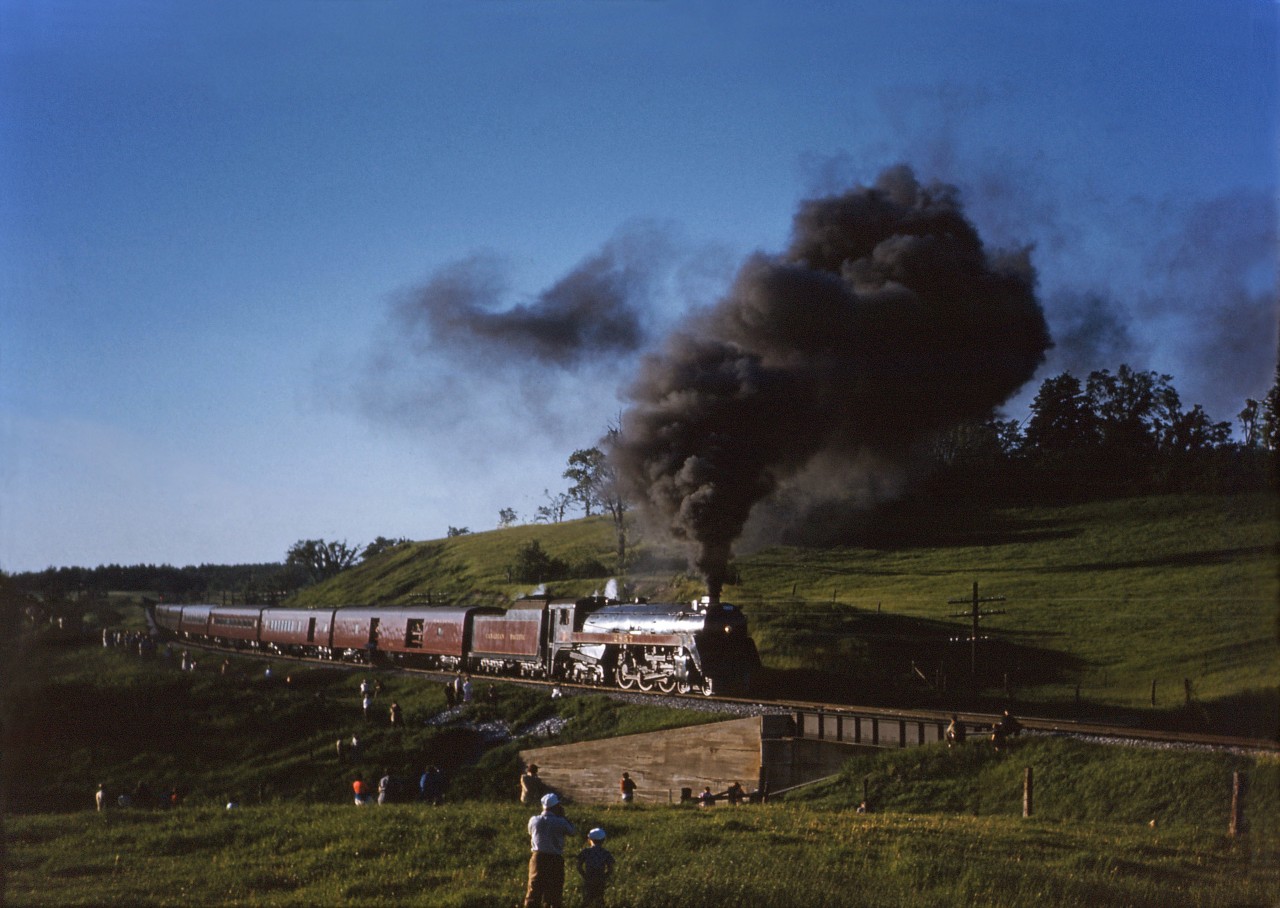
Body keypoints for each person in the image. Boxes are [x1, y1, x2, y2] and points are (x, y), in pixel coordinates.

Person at [524, 793, 575, 908]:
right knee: (554, 892)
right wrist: (564, 817)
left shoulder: (534, 820)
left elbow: (530, 832)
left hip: (538, 857)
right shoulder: (561, 822)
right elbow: (572, 831)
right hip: (554, 858)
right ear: (556, 806)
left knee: (534, 889)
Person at [575, 827, 615, 908]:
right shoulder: (606, 853)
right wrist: (604, 877)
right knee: (599, 899)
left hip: (589, 877)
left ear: (590, 839)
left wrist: (584, 875)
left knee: (587, 899)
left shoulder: (585, 852)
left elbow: (578, 866)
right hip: (600, 878)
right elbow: (610, 869)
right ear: (603, 840)